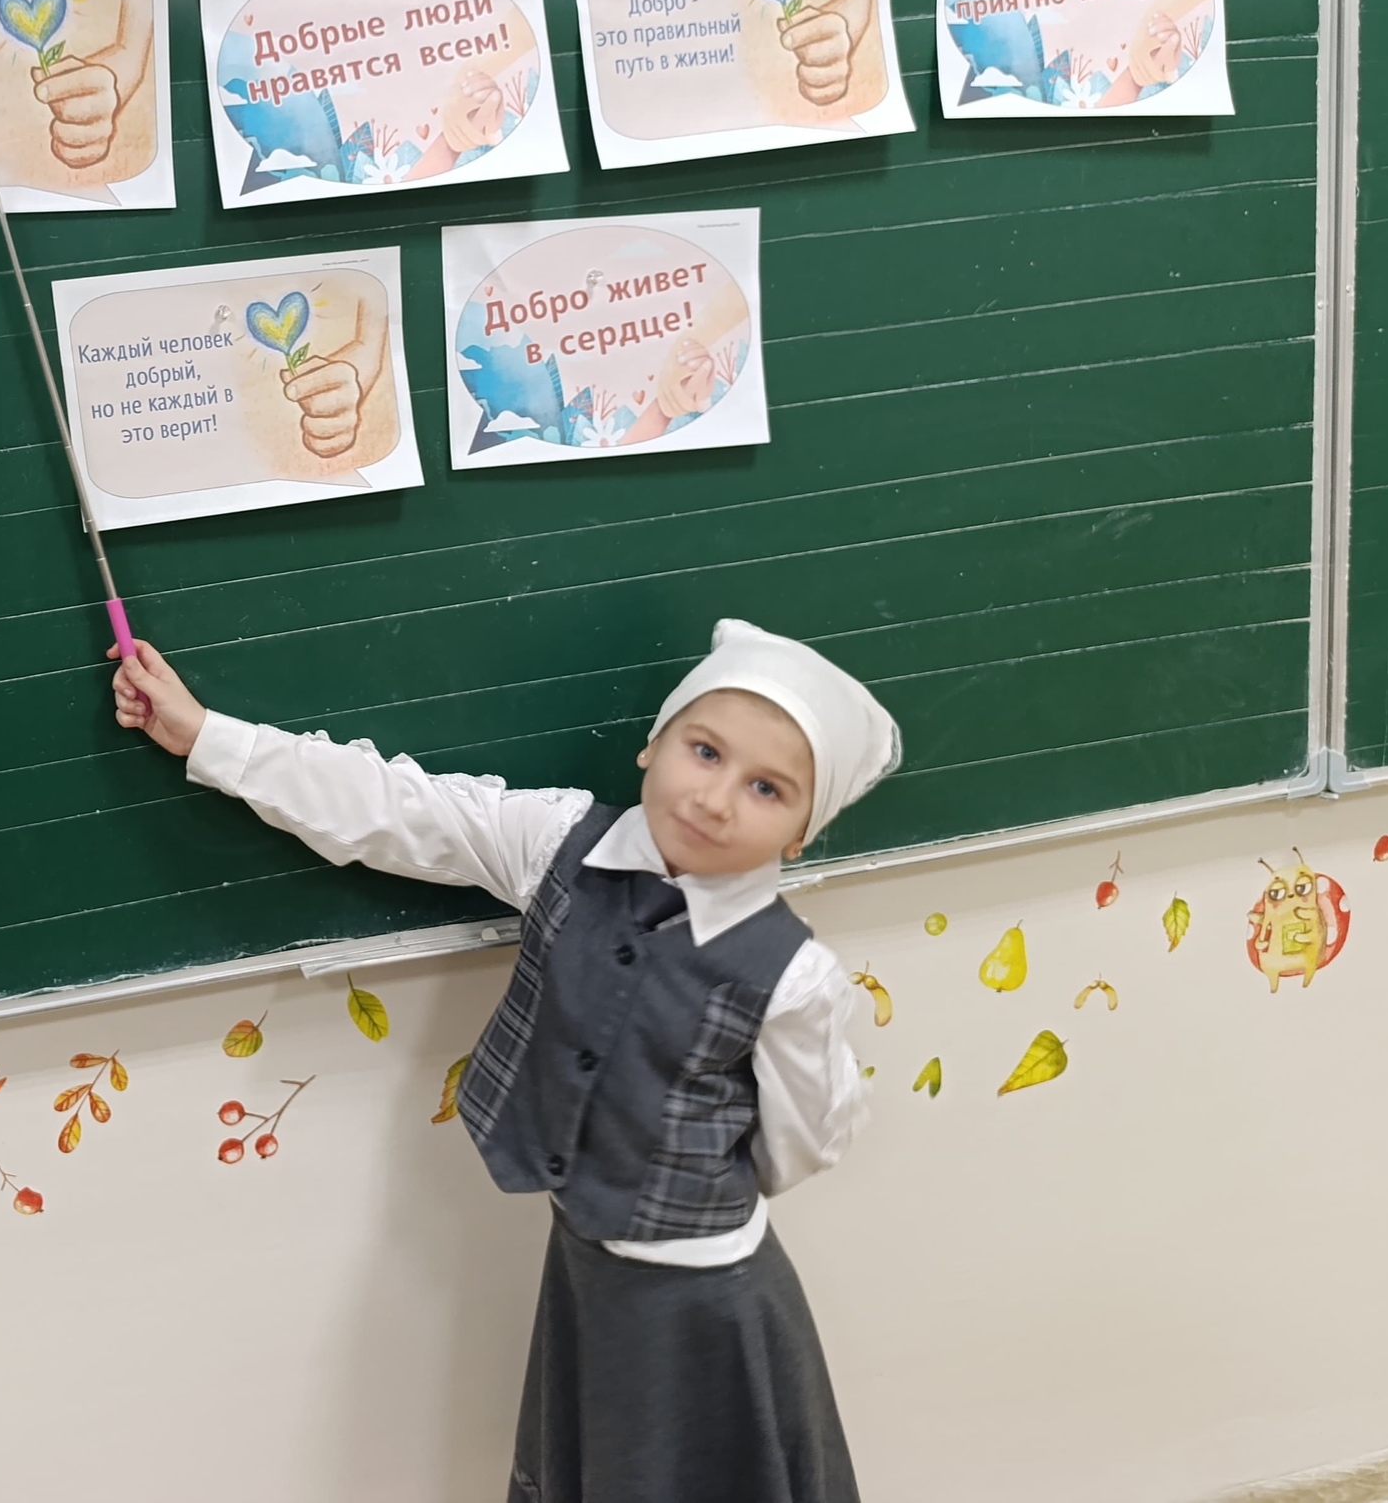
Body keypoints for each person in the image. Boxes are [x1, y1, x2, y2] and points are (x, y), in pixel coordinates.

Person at [111, 618, 899, 1503]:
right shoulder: (561, 840)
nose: (716, 800)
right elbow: (399, 808)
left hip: (707, 1291)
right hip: (589, 1263)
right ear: (653, 745)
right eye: (705, 751)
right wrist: (209, 737)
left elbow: (802, 1143)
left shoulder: (794, 974)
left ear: (801, 833)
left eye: (766, 788)